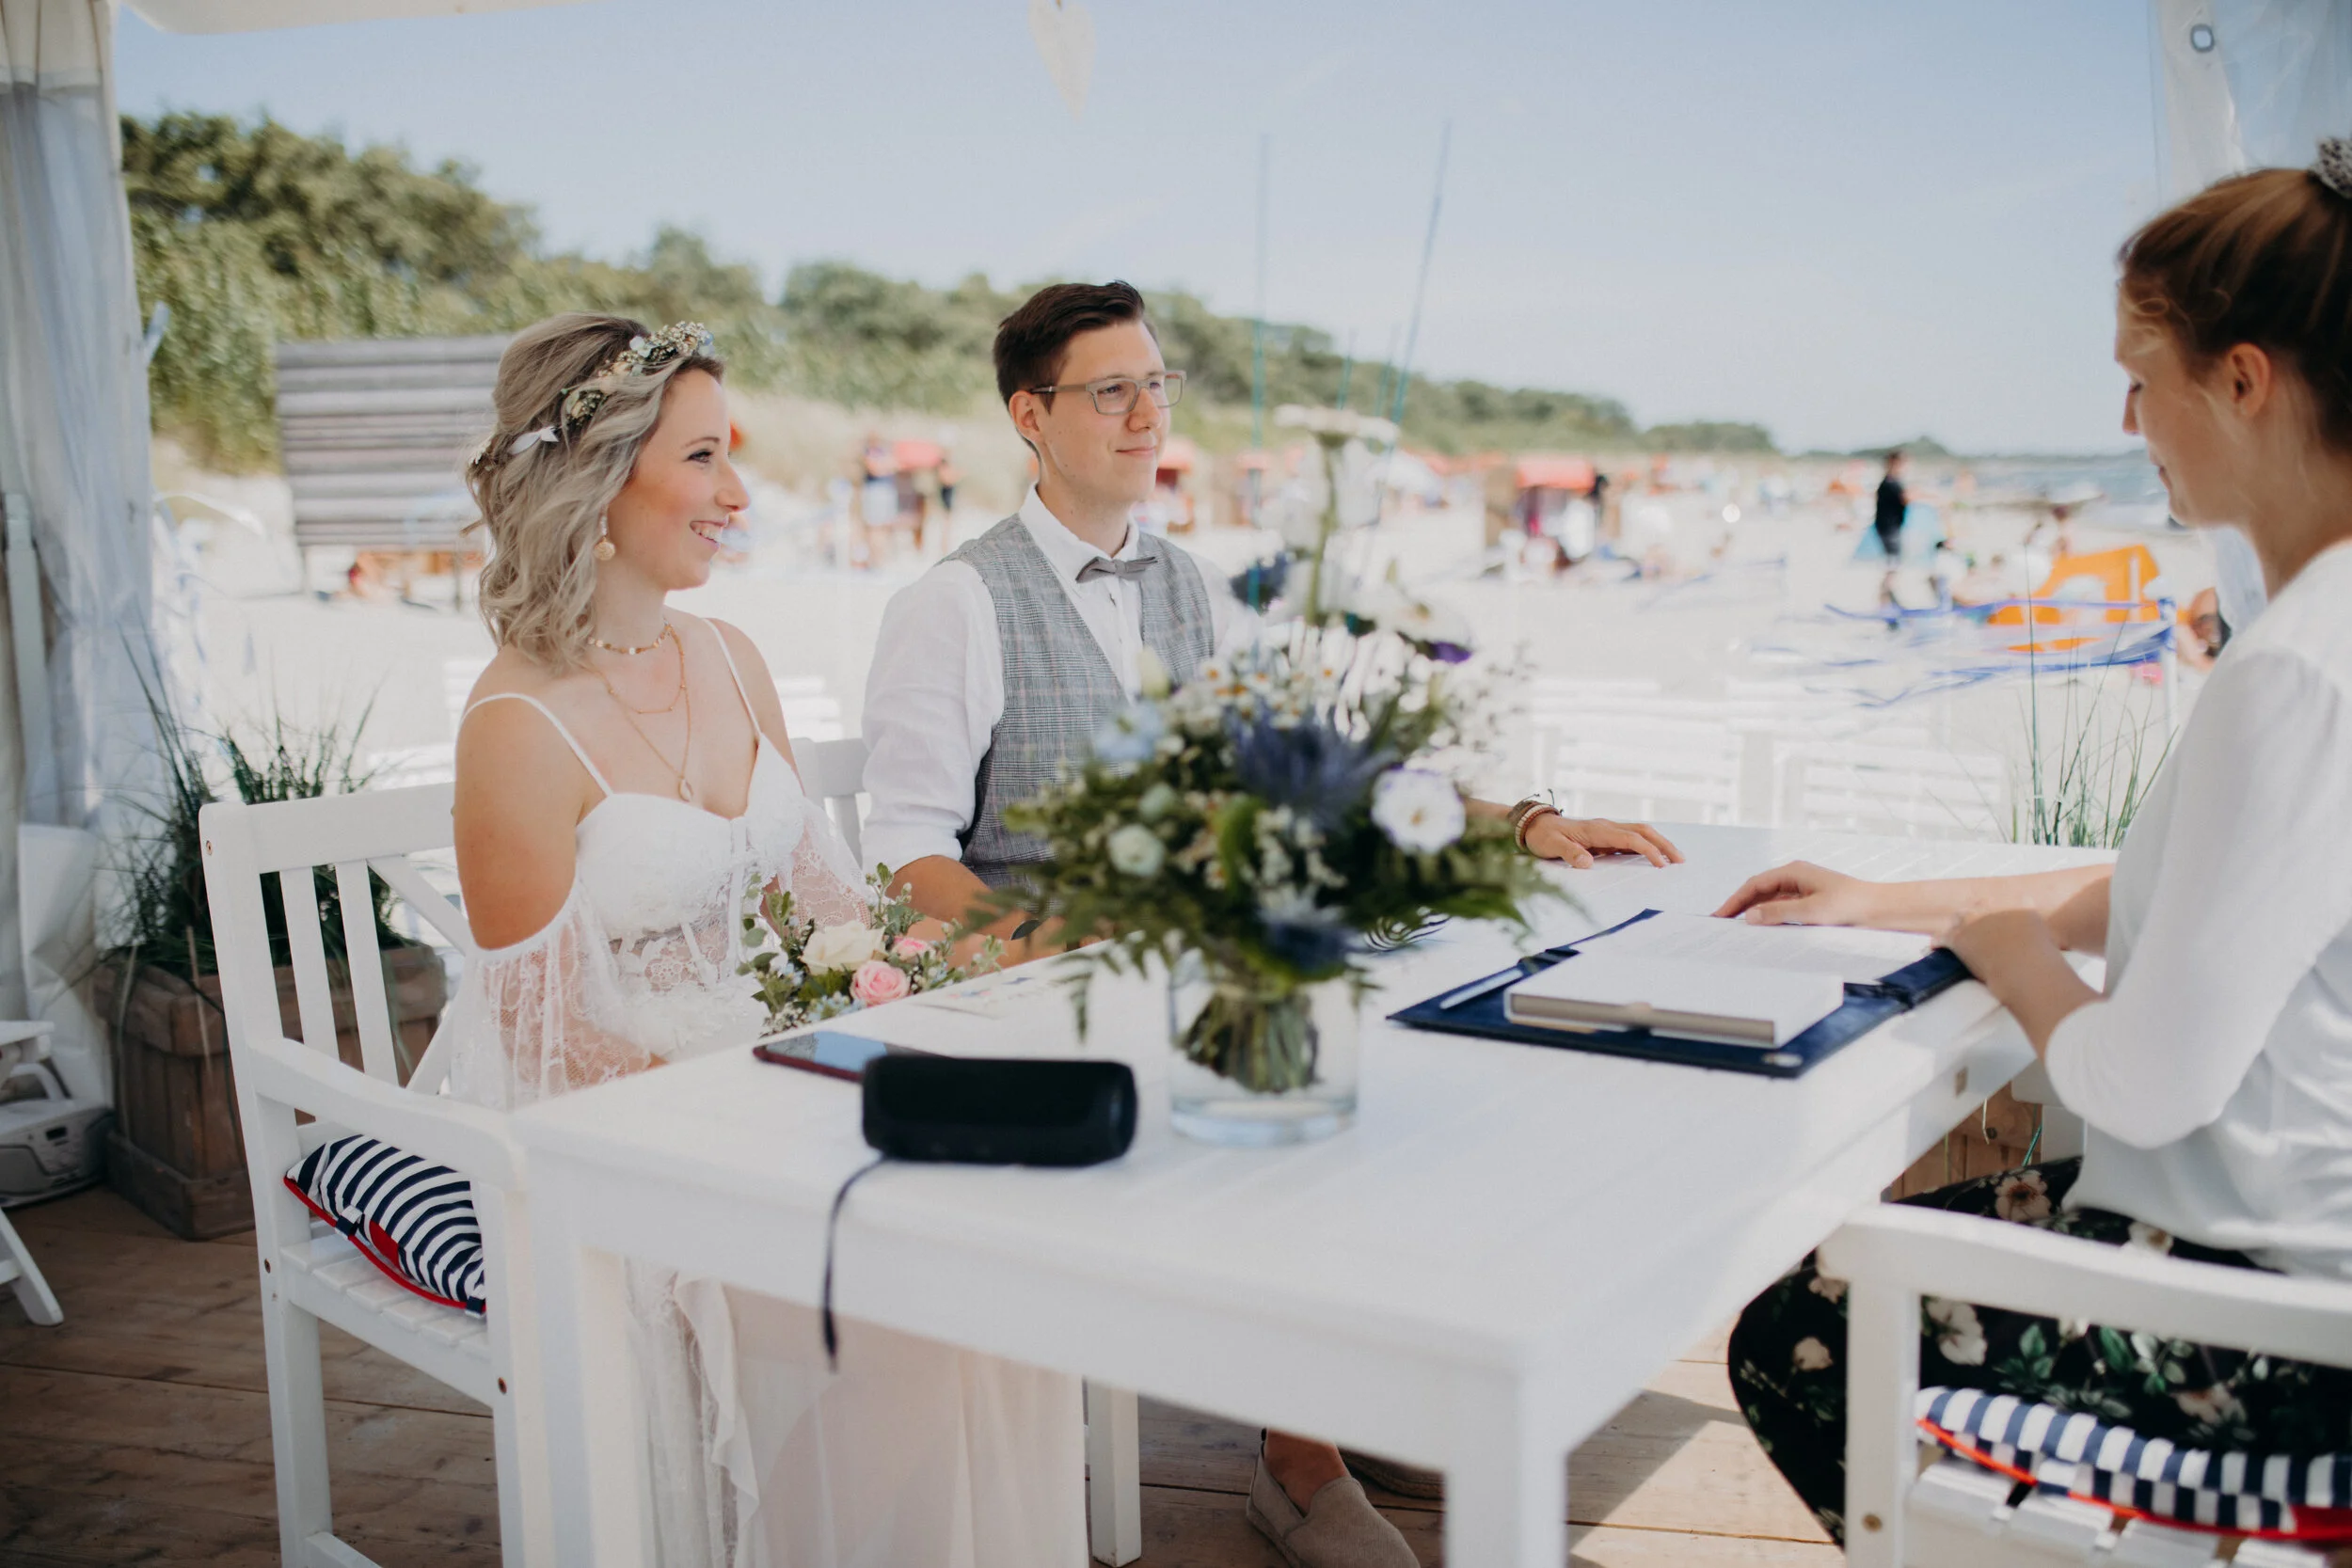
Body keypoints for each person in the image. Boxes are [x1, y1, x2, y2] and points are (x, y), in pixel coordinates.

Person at [860, 279, 1683, 1567]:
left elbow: (1313, 764)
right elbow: (903, 857)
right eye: (1111, 390)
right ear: (1029, 415)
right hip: (1046, 1003)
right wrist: (1070, 932)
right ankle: (1299, 1461)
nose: (1146, 413)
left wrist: (1517, 820)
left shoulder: (1195, 585)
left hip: (1197, 967)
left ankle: (1358, 1386)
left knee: (1409, 1037)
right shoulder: (954, 602)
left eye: (1157, 384)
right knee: (1302, 1052)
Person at [1714, 146, 2352, 1545]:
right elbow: (2181, 896)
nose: (2127, 420)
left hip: (2276, 1325)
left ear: (2244, 379)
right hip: (2286, 1250)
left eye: (2141, 377)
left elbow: (2146, 1081)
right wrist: (1900, 898)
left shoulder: (2299, 668)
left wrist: (2005, 954)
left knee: (1790, 1335)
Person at [445, 313, 1086, 1567]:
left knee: (1010, 1245)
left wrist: (966, 965)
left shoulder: (730, 657)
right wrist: (743, 1122)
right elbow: (545, 1037)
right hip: (623, 1130)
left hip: (784, 1069)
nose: (739, 493)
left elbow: (829, 909)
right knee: (912, 1308)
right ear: (597, 479)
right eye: (703, 458)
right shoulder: (514, 724)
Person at [1871, 449, 1909, 612]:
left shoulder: (1889, 482)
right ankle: (1885, 604)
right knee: (1893, 567)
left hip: (1888, 529)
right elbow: (1906, 498)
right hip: (1889, 531)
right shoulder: (1889, 483)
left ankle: (1886, 602)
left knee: (1892, 568)